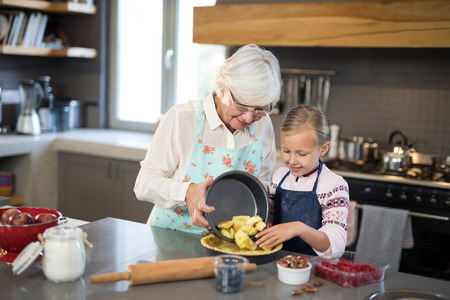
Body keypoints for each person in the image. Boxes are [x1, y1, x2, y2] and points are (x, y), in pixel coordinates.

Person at [134, 44, 282, 236]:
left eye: (260, 109)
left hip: (231, 246)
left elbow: (262, 181)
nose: (248, 118)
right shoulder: (182, 118)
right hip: (173, 238)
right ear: (222, 89)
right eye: (242, 106)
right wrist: (187, 192)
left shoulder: (264, 124)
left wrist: (265, 213)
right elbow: (144, 184)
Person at [255, 105, 349, 255]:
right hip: (276, 264)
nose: (292, 160)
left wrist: (299, 228)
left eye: (302, 154)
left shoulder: (334, 185)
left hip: (312, 270)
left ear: (323, 149)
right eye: (286, 151)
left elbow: (335, 248)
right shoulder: (279, 177)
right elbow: (267, 219)